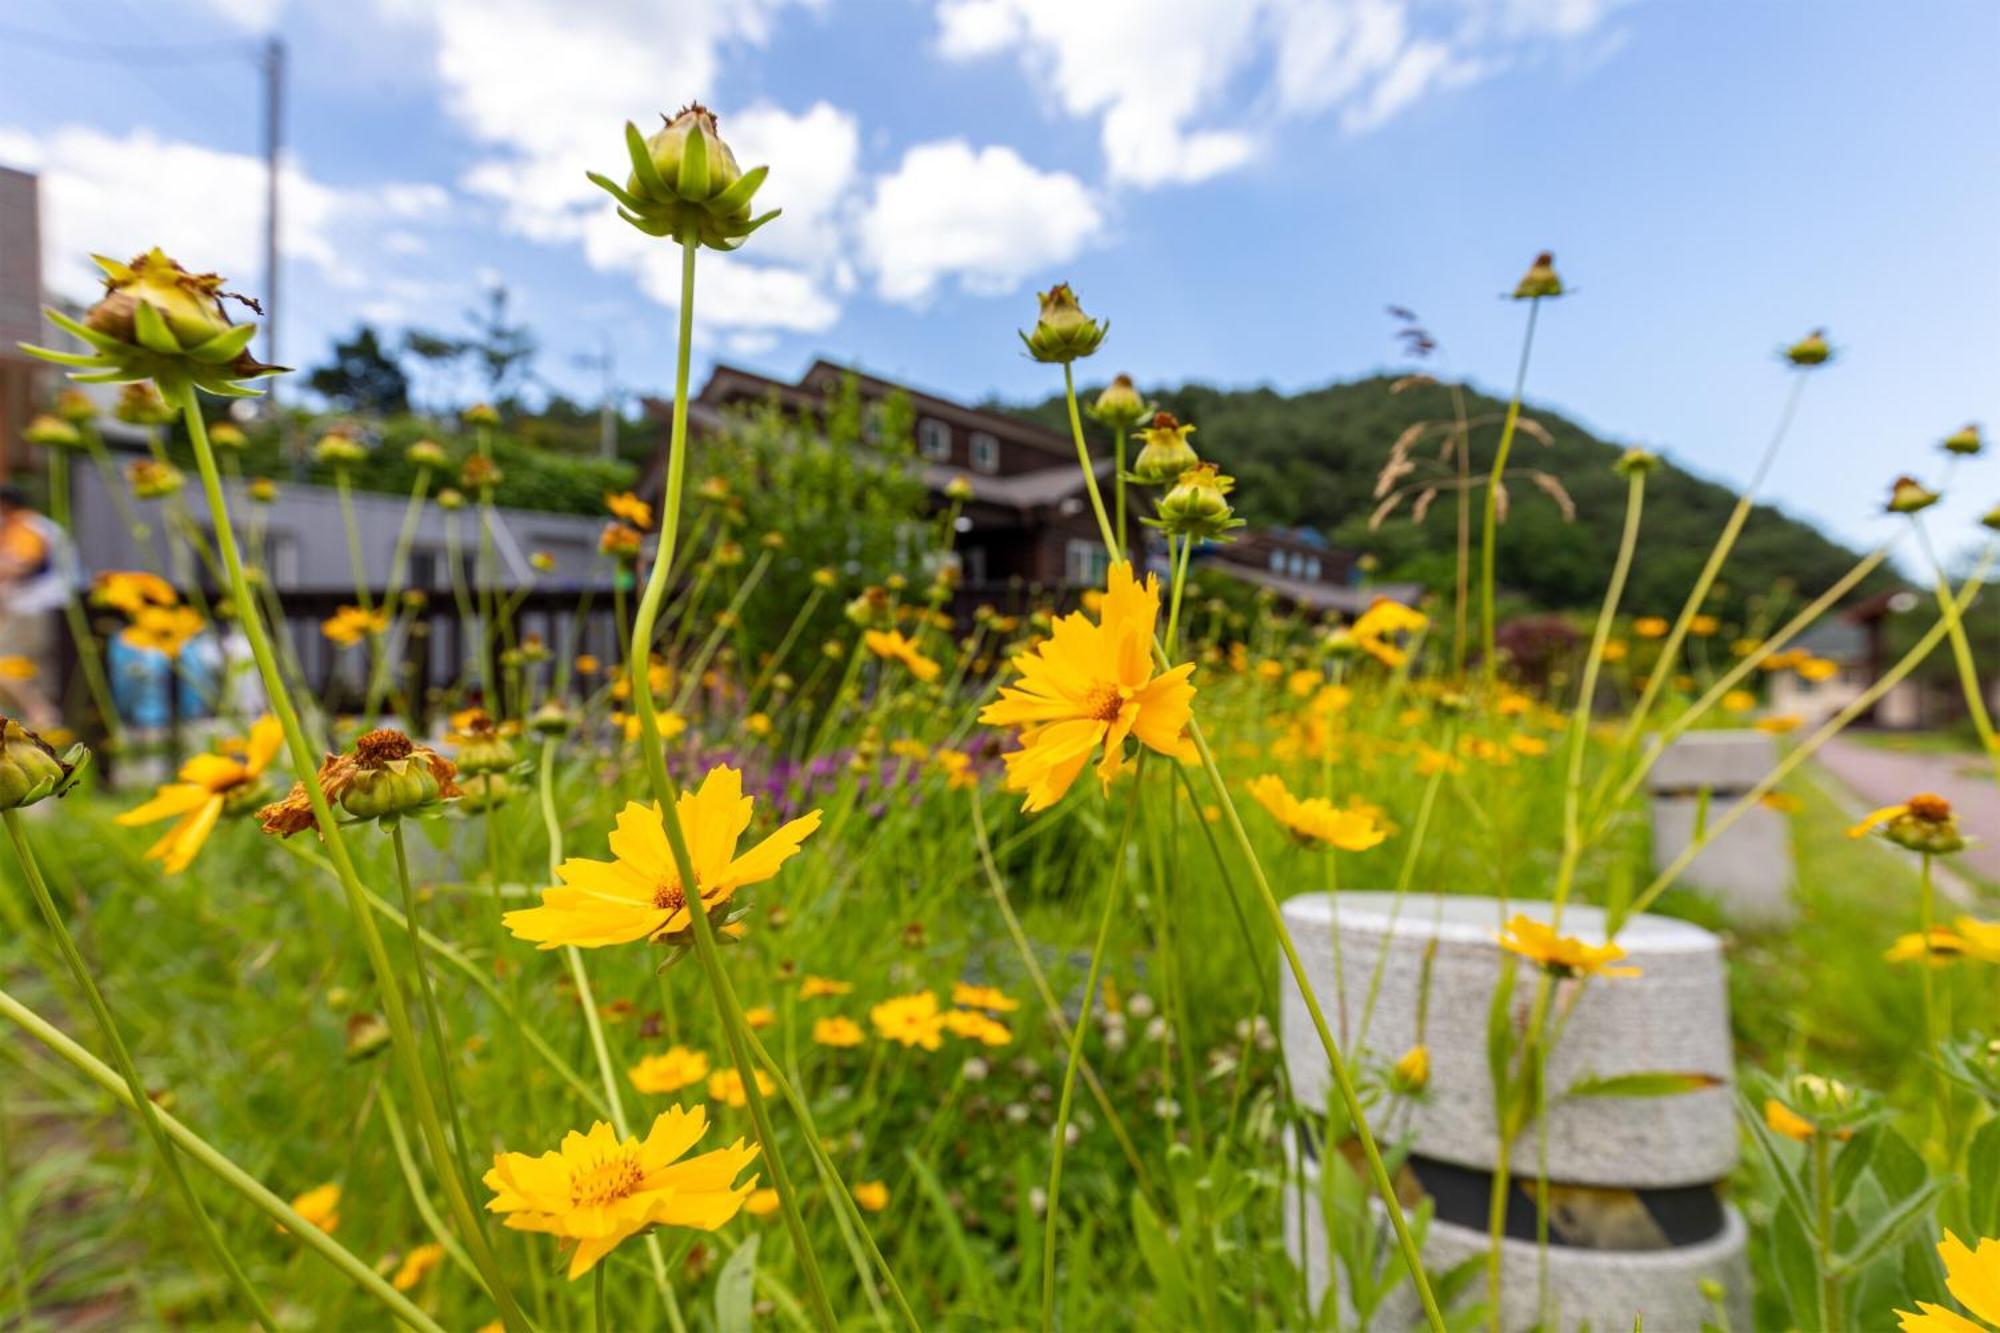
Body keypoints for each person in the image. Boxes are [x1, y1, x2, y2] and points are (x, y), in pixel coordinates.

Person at [0, 484, 67, 729]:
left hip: (31, 609)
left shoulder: (26, 527)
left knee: (6, 664)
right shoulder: (38, 525)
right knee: (33, 670)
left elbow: (18, 565)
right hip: (43, 609)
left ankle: (42, 717)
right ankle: (41, 721)